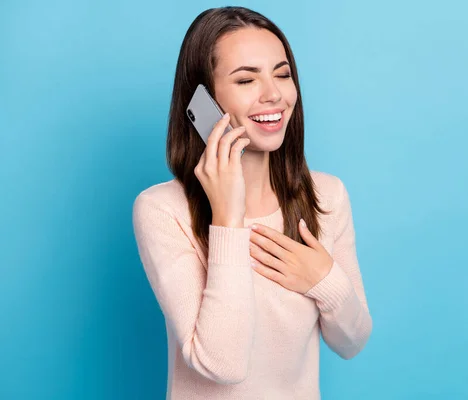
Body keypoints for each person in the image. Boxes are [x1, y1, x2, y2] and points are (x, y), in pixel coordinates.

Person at [132, 6, 372, 399]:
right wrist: (228, 216)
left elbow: (353, 341)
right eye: (246, 79)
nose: (274, 94)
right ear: (203, 100)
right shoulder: (161, 210)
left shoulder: (327, 195)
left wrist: (324, 281)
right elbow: (221, 364)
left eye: (282, 73)